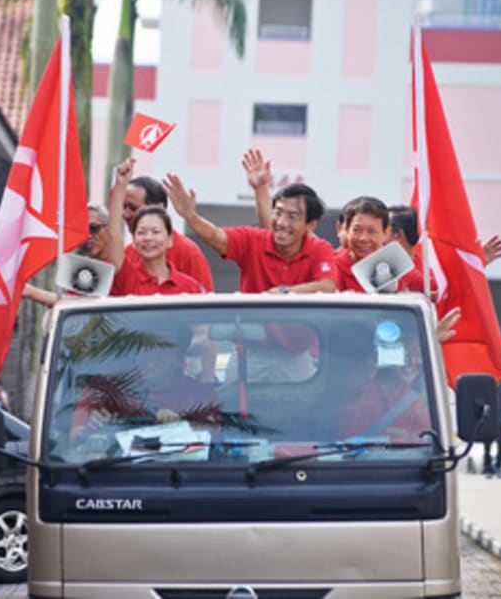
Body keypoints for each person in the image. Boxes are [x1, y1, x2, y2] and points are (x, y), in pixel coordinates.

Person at [162, 165, 338, 295]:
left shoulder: (320, 248)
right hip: (253, 334)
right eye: (278, 213)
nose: (281, 222)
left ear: (311, 225)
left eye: (292, 216)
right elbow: (217, 238)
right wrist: (190, 216)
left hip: (302, 336)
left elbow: (327, 286)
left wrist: (283, 293)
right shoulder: (252, 239)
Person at [70, 323, 221, 442]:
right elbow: (72, 440)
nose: (151, 357)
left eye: (162, 349)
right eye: (145, 347)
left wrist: (180, 424)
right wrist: (90, 429)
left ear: (179, 358)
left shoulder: (201, 395)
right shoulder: (105, 390)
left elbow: (216, 437)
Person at [108, 158, 206, 296]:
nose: (148, 238)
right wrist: (120, 185)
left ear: (170, 239)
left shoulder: (190, 286)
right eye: (141, 232)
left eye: (155, 232)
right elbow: (114, 234)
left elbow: (207, 306)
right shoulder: (127, 277)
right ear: (134, 239)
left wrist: (190, 215)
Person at [122, 172, 215, 292]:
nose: (125, 214)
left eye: (133, 208)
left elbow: (205, 300)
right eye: (123, 207)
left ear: (158, 208)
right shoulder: (128, 253)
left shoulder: (189, 253)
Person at [335, 196, 425, 293]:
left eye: (372, 231)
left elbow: (433, 289)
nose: (363, 238)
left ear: (386, 233)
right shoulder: (334, 265)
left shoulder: (397, 264)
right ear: (346, 230)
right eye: (357, 230)